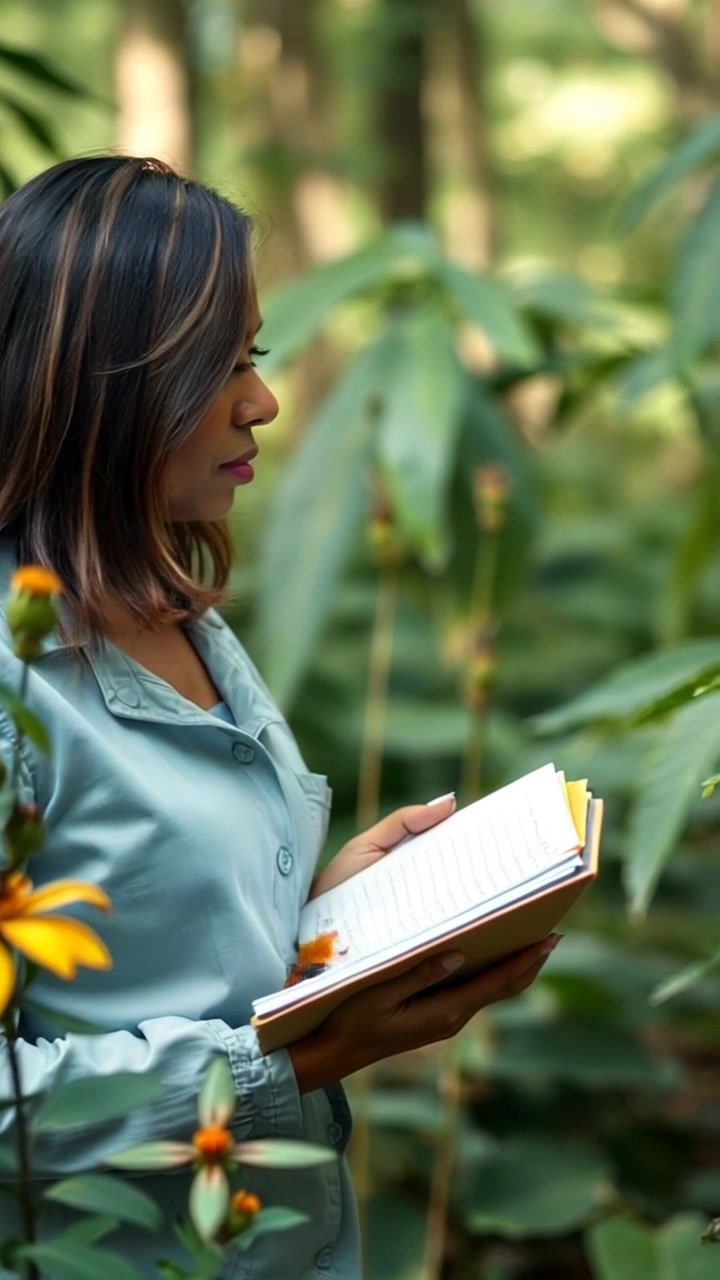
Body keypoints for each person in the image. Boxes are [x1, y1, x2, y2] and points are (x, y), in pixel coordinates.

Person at [0, 155, 560, 1280]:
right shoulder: (19, 690)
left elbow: (167, 937)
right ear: (104, 379)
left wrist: (335, 907)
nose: (261, 399)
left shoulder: (177, 613)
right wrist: (296, 1064)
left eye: (252, 357)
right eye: (222, 364)